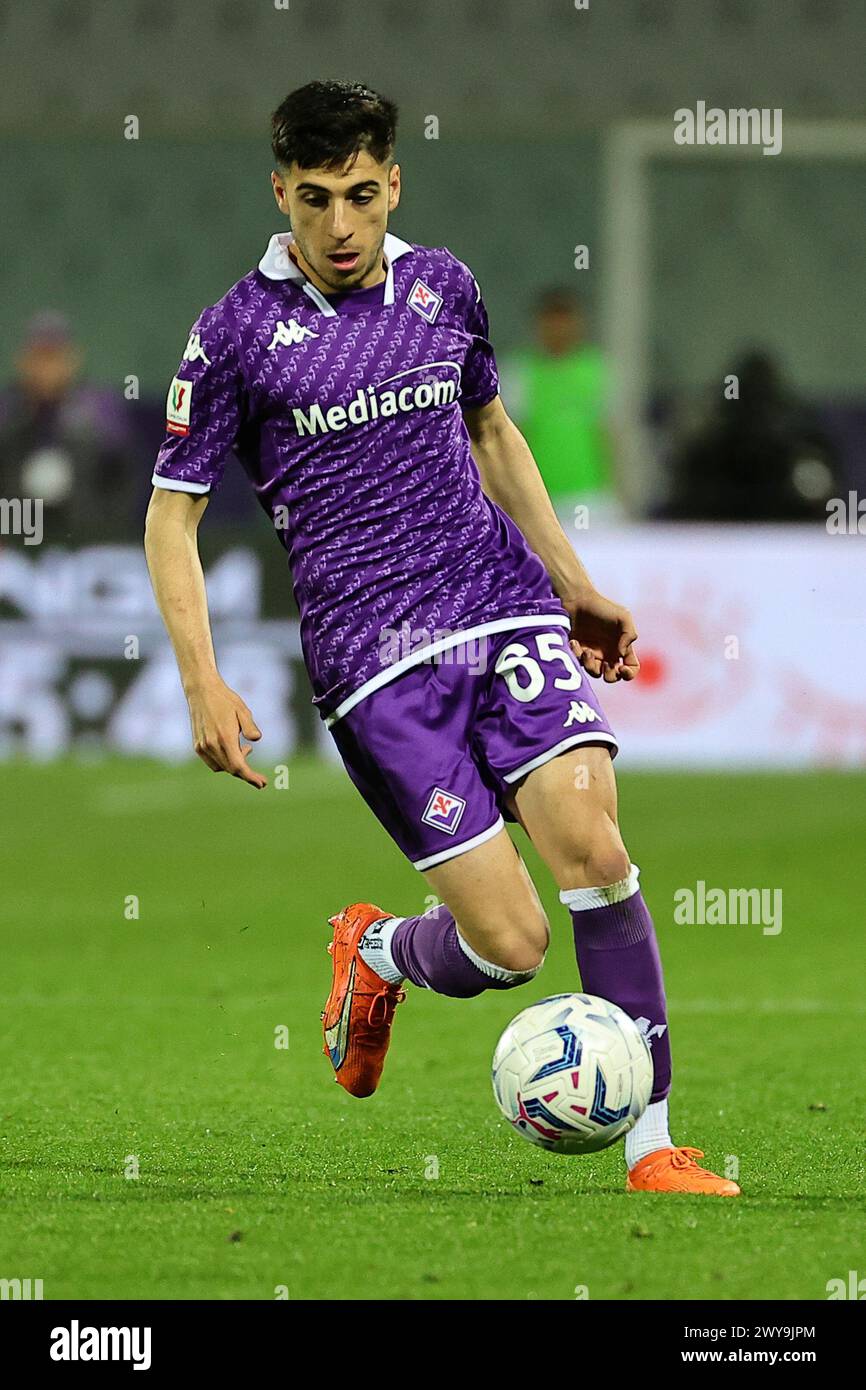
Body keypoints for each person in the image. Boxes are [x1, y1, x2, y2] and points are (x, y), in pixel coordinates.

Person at [144, 80, 739, 1197]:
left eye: (360, 196)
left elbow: (490, 428)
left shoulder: (442, 285)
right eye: (313, 200)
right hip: (375, 663)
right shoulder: (231, 337)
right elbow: (169, 512)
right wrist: (201, 682)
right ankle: (374, 952)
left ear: (392, 184)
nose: (338, 227)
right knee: (509, 946)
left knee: (596, 854)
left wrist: (573, 583)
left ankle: (653, 1142)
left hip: (496, 603)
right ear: (279, 192)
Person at [0, 311, 139, 544]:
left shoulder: (100, 409)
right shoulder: (7, 410)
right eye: (39, 357)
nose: (47, 368)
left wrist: (108, 530)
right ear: (24, 361)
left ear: (72, 360)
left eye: (54, 357)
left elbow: (123, 478)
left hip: (86, 540)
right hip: (15, 540)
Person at [664, 350, 841, 521]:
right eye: (749, 400)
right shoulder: (708, 455)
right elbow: (685, 513)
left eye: (762, 400)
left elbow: (822, 509)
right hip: (719, 543)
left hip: (787, 542)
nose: (755, 413)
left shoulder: (800, 453)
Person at [500, 289, 620, 524]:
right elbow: (508, 435)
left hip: (588, 494)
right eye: (551, 322)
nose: (558, 329)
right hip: (536, 494)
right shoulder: (519, 371)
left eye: (564, 321)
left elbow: (608, 432)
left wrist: (614, 487)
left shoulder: (595, 369)